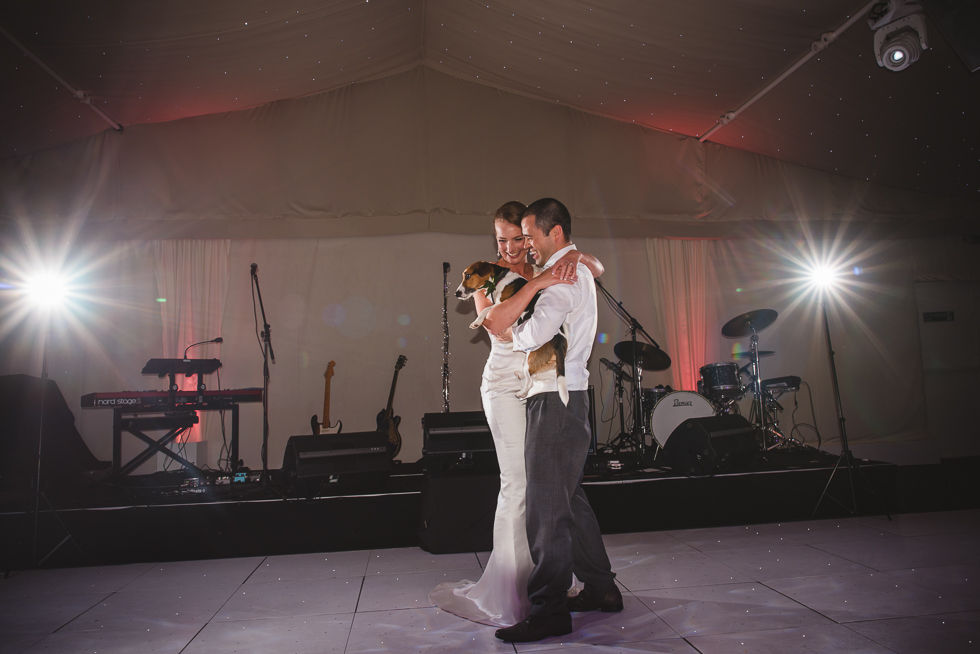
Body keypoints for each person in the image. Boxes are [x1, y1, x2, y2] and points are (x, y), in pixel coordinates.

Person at [428, 201, 603, 627]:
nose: (507, 248)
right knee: (520, 484)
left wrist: (575, 256)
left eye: (516, 238)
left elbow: (594, 267)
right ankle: (512, 591)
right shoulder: (488, 273)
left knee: (555, 488)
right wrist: (539, 280)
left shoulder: (557, 266)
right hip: (506, 384)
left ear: (531, 238)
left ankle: (585, 584)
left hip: (542, 383)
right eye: (501, 240)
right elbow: (494, 322)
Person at [491, 198, 621, 644]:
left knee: (545, 510)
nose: (526, 243)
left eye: (530, 235)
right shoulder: (574, 268)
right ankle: (602, 589)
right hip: (570, 400)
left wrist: (514, 331)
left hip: (554, 401)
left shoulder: (563, 277)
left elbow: (533, 334)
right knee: (570, 500)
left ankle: (549, 610)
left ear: (556, 234)